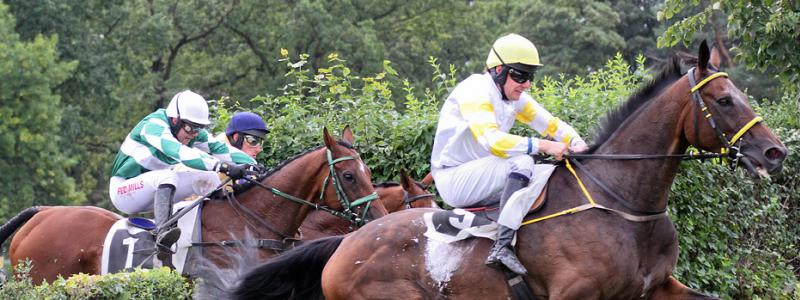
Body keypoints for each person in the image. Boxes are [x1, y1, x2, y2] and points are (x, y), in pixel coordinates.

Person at [430, 33, 588, 275]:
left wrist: (581, 146)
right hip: (453, 179)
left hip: (482, 173)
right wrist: (545, 146)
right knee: (522, 162)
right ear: (499, 70)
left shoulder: (513, 97)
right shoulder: (474, 90)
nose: (526, 84)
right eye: (520, 75)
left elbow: (551, 125)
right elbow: (493, 141)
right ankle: (501, 247)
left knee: (547, 171)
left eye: (530, 77)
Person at [109, 90, 256, 261]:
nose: (194, 134)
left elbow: (222, 149)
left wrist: (253, 165)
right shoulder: (153, 125)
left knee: (209, 179)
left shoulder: (189, 132)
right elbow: (180, 153)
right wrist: (222, 166)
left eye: (198, 128)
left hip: (154, 190)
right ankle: (162, 235)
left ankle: (224, 227)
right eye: (190, 128)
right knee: (166, 176)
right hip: (124, 191)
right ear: (174, 119)